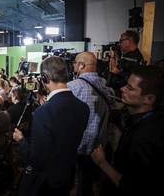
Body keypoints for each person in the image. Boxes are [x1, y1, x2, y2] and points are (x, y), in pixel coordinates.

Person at [12, 56, 90, 196]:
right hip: (67, 177)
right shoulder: (83, 108)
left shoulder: (44, 112)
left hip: (46, 183)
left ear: (45, 78)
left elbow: (37, 160)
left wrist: (21, 140)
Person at [91, 65, 164, 196]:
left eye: (130, 88)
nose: (122, 89)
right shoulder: (149, 119)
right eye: (126, 84)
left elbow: (134, 187)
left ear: (148, 99)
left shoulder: (143, 138)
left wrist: (102, 163)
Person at [67, 52, 115, 196]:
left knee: (75, 184)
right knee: (88, 184)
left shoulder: (72, 87)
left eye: (75, 63)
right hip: (99, 148)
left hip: (78, 146)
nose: (74, 65)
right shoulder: (105, 85)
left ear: (81, 65)